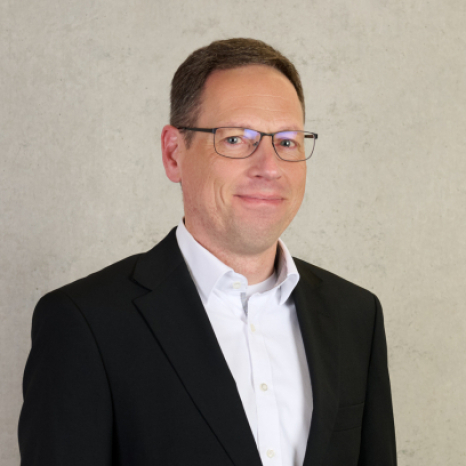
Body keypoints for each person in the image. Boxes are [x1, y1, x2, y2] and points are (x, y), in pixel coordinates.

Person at [18, 38, 397, 466]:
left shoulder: (356, 316)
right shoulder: (85, 323)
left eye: (287, 142)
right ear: (173, 153)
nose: (269, 167)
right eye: (236, 139)